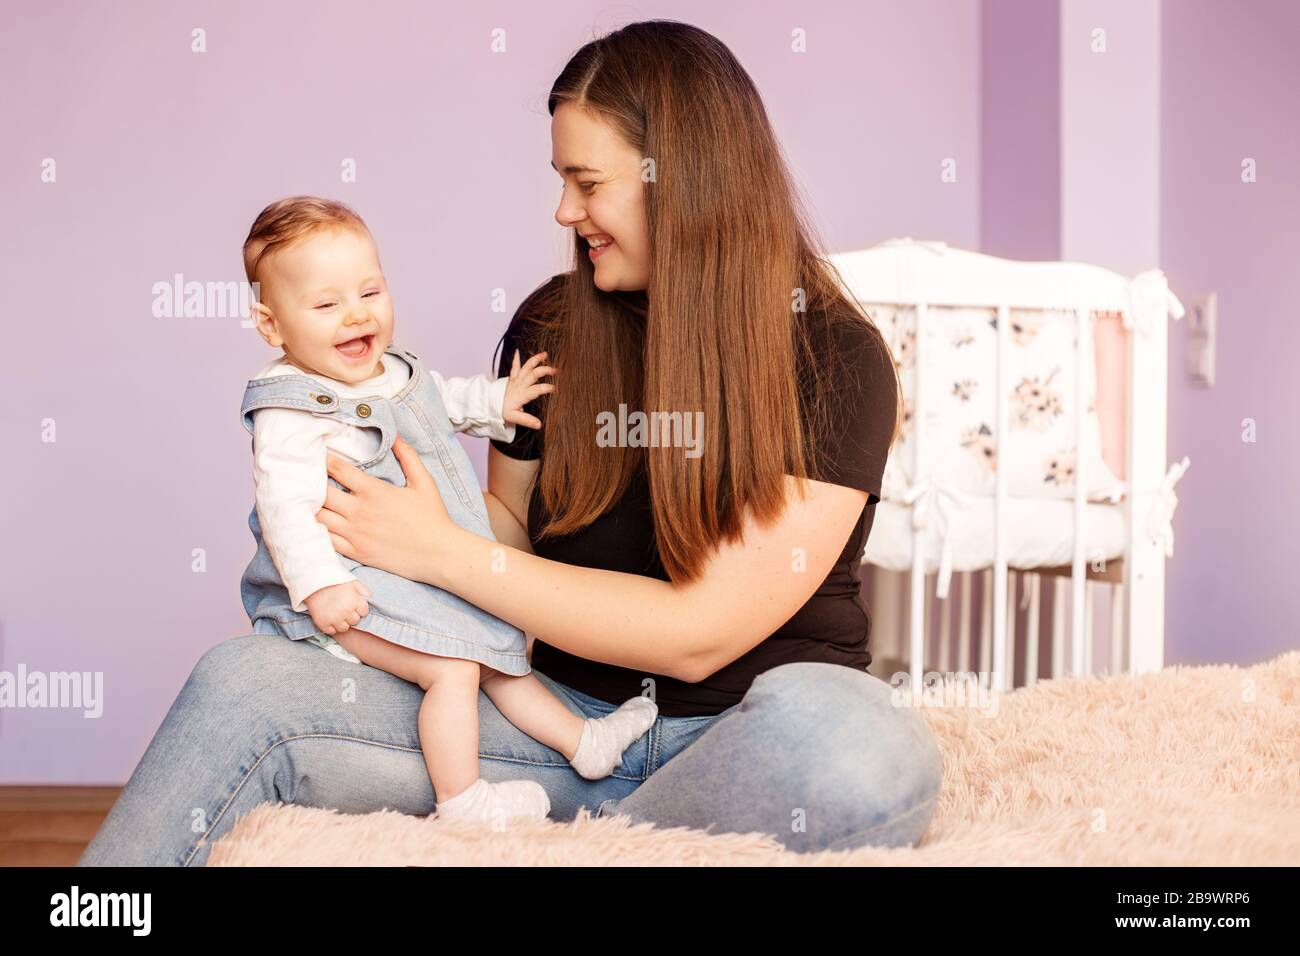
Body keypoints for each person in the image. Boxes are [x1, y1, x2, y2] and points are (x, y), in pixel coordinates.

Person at [78, 19, 942, 866]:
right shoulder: (555, 324)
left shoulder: (836, 358)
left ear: (680, 178)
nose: (564, 209)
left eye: (586, 181)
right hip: (561, 730)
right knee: (238, 685)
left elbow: (699, 634)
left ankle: (595, 842)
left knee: (858, 748)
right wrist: (384, 523)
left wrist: (445, 553)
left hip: (751, 736)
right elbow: (511, 527)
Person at [236, 196, 659, 826]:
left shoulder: (389, 371)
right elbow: (284, 507)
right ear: (272, 326)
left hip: (412, 566)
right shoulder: (291, 411)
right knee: (455, 666)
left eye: (369, 292)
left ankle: (583, 742)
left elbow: (438, 403)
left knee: (494, 648)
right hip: (351, 586)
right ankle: (462, 800)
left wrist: (497, 402)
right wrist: (320, 585)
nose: (356, 315)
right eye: (326, 305)